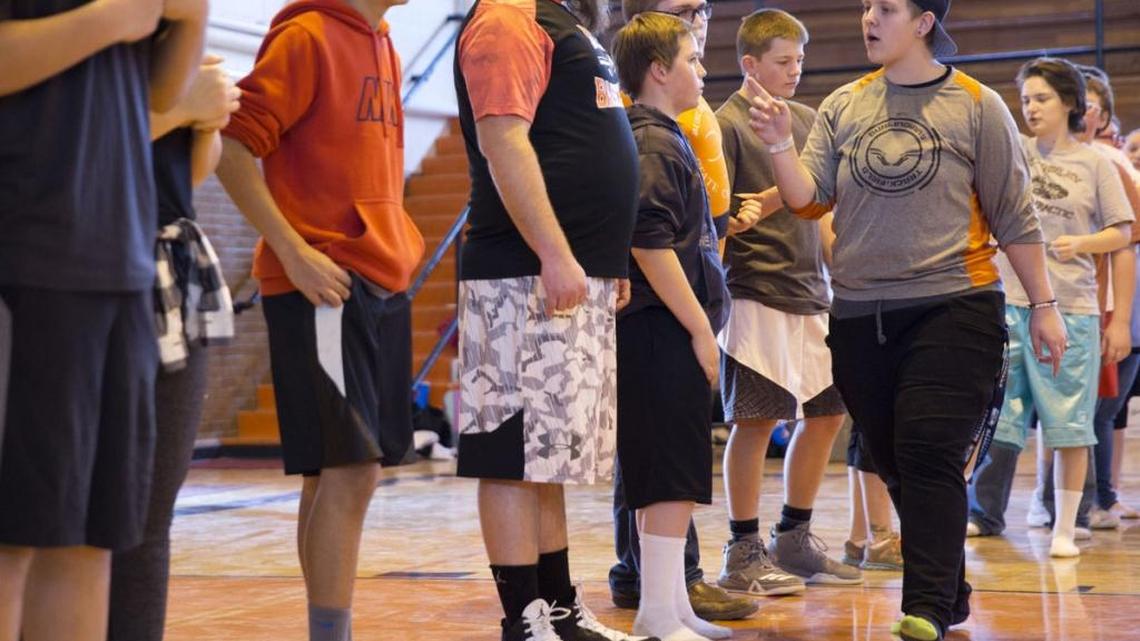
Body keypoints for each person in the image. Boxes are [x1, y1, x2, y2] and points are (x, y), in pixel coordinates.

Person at [746, 1, 1068, 639]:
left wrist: (1045, 306)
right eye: (867, 6)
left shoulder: (977, 106)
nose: (869, 16)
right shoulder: (843, 105)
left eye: (886, 8)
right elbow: (808, 199)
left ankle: (921, 608)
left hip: (955, 306)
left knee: (928, 451)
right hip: (861, 315)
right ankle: (948, 587)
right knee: (890, 458)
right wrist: (780, 144)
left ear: (923, 23)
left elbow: (1015, 217)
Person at [216, 2, 423, 640]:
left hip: (380, 272)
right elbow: (228, 145)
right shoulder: (305, 36)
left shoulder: (383, 41)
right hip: (325, 277)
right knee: (350, 468)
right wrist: (293, 251)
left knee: (331, 471)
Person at [0, 1, 207, 640]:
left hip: (121, 259)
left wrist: (191, 20)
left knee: (92, 537)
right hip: (27, 255)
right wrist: (114, 16)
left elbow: (159, 92)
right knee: (14, 537)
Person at [452, 2, 649, 640]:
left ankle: (559, 608)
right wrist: (557, 252)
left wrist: (604, 256)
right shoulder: (506, 20)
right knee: (510, 453)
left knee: (548, 457)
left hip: (562, 272)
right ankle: (524, 621)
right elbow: (504, 139)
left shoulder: (559, 19)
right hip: (519, 273)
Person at [609, 0, 758, 622]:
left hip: (663, 328)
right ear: (658, 71)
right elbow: (648, 241)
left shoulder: (663, 136)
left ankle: (668, 606)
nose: (703, 70)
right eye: (692, 60)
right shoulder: (653, 142)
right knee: (667, 473)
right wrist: (700, 328)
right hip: (660, 329)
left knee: (665, 471)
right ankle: (658, 615)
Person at [714, 7, 860, 594]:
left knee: (827, 414)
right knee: (755, 421)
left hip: (811, 293)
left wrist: (839, 265)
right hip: (754, 292)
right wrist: (736, 222)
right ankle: (742, 549)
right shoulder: (723, 124)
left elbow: (821, 206)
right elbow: (717, 213)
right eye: (783, 61)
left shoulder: (806, 118)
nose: (796, 70)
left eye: (800, 59)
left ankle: (793, 538)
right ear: (750, 64)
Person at [966, 58, 1133, 557]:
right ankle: (983, 514)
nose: (1031, 107)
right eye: (1026, 100)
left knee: (1068, 421)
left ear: (1069, 104)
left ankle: (1064, 524)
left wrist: (1080, 243)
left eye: (1041, 98)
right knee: (1001, 418)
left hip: (1071, 308)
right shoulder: (1013, 151)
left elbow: (1122, 233)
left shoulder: (1096, 162)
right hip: (1008, 303)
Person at [108, 54, 240, 641]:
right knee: (76, 511)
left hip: (172, 265)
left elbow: (181, 179)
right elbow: (65, 152)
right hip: (90, 261)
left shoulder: (174, 41)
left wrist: (207, 122)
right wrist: (182, 108)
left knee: (152, 514)